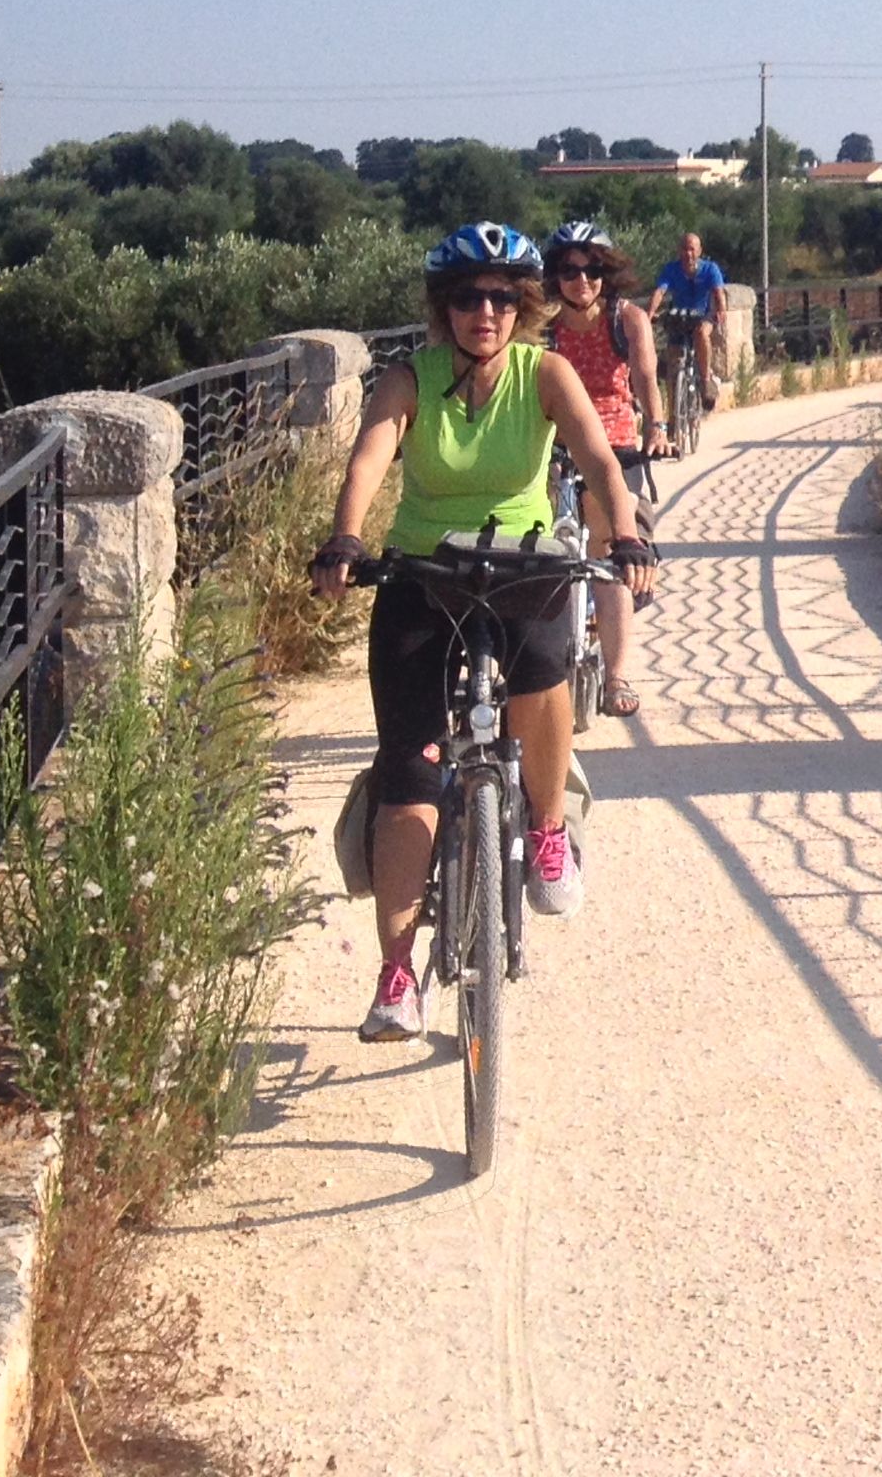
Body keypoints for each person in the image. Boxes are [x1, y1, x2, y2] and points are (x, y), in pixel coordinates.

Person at [309, 224, 657, 1043]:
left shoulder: (545, 374)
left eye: (503, 297)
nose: (486, 312)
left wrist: (626, 533)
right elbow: (369, 459)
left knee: (542, 678)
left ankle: (546, 829)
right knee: (409, 771)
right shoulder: (411, 379)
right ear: (444, 308)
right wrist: (346, 539)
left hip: (521, 565)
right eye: (468, 297)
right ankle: (398, 975)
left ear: (524, 305)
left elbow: (598, 459)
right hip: (423, 574)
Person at [545, 219, 663, 718]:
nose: (582, 281)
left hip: (614, 444)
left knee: (612, 547)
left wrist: (656, 427)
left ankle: (616, 675)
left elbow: (646, 378)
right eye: (570, 271)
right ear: (554, 275)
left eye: (592, 270)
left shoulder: (627, 319)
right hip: (554, 442)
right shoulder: (543, 326)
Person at [650, 229, 728, 436]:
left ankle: (705, 380)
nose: (688, 254)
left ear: (699, 251)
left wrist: (721, 310)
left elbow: (718, 292)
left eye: (692, 249)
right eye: (685, 249)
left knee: (701, 334)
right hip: (680, 316)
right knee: (672, 367)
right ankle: (673, 418)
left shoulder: (710, 269)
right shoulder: (671, 269)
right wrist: (649, 313)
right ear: (679, 251)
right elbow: (660, 291)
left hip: (704, 315)